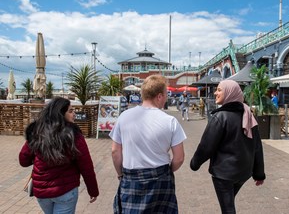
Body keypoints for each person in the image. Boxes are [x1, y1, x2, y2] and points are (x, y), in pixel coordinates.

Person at [110, 74, 186, 213]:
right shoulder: (170, 121)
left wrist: (120, 174)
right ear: (159, 96)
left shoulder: (124, 117)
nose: (166, 98)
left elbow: (115, 152)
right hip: (161, 179)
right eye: (165, 95)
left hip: (131, 178)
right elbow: (179, 158)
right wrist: (167, 172)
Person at [190, 80, 266, 214]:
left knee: (228, 209)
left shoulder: (221, 116)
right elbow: (257, 146)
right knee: (228, 202)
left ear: (230, 92)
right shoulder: (248, 114)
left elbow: (206, 146)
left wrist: (195, 163)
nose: (215, 93)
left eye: (219, 90)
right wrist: (259, 173)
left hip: (224, 173)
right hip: (243, 173)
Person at [19, 97, 99, 214]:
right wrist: (93, 191)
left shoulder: (38, 131)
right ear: (61, 114)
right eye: (71, 111)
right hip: (65, 192)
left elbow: (23, 160)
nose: (74, 114)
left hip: (42, 192)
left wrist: (38, 155)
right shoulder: (74, 135)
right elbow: (86, 167)